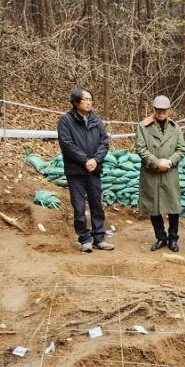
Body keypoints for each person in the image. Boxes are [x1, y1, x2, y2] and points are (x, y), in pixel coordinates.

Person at [57, 85, 113, 253]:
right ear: (76, 102)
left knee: (96, 203)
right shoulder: (66, 121)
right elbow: (67, 144)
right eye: (85, 99)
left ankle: (99, 238)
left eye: (90, 99)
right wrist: (84, 160)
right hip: (76, 170)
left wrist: (95, 160)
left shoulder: (96, 120)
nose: (89, 103)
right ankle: (85, 239)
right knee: (79, 205)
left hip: (94, 169)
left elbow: (104, 143)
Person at [135, 95, 185, 252]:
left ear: (168, 110)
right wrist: (157, 163)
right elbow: (140, 148)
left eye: (164, 110)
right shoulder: (143, 126)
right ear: (154, 109)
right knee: (153, 206)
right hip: (151, 173)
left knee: (173, 206)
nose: (161, 112)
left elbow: (181, 149)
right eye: (158, 109)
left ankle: (173, 239)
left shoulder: (175, 128)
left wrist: (169, 162)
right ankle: (160, 238)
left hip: (170, 172)